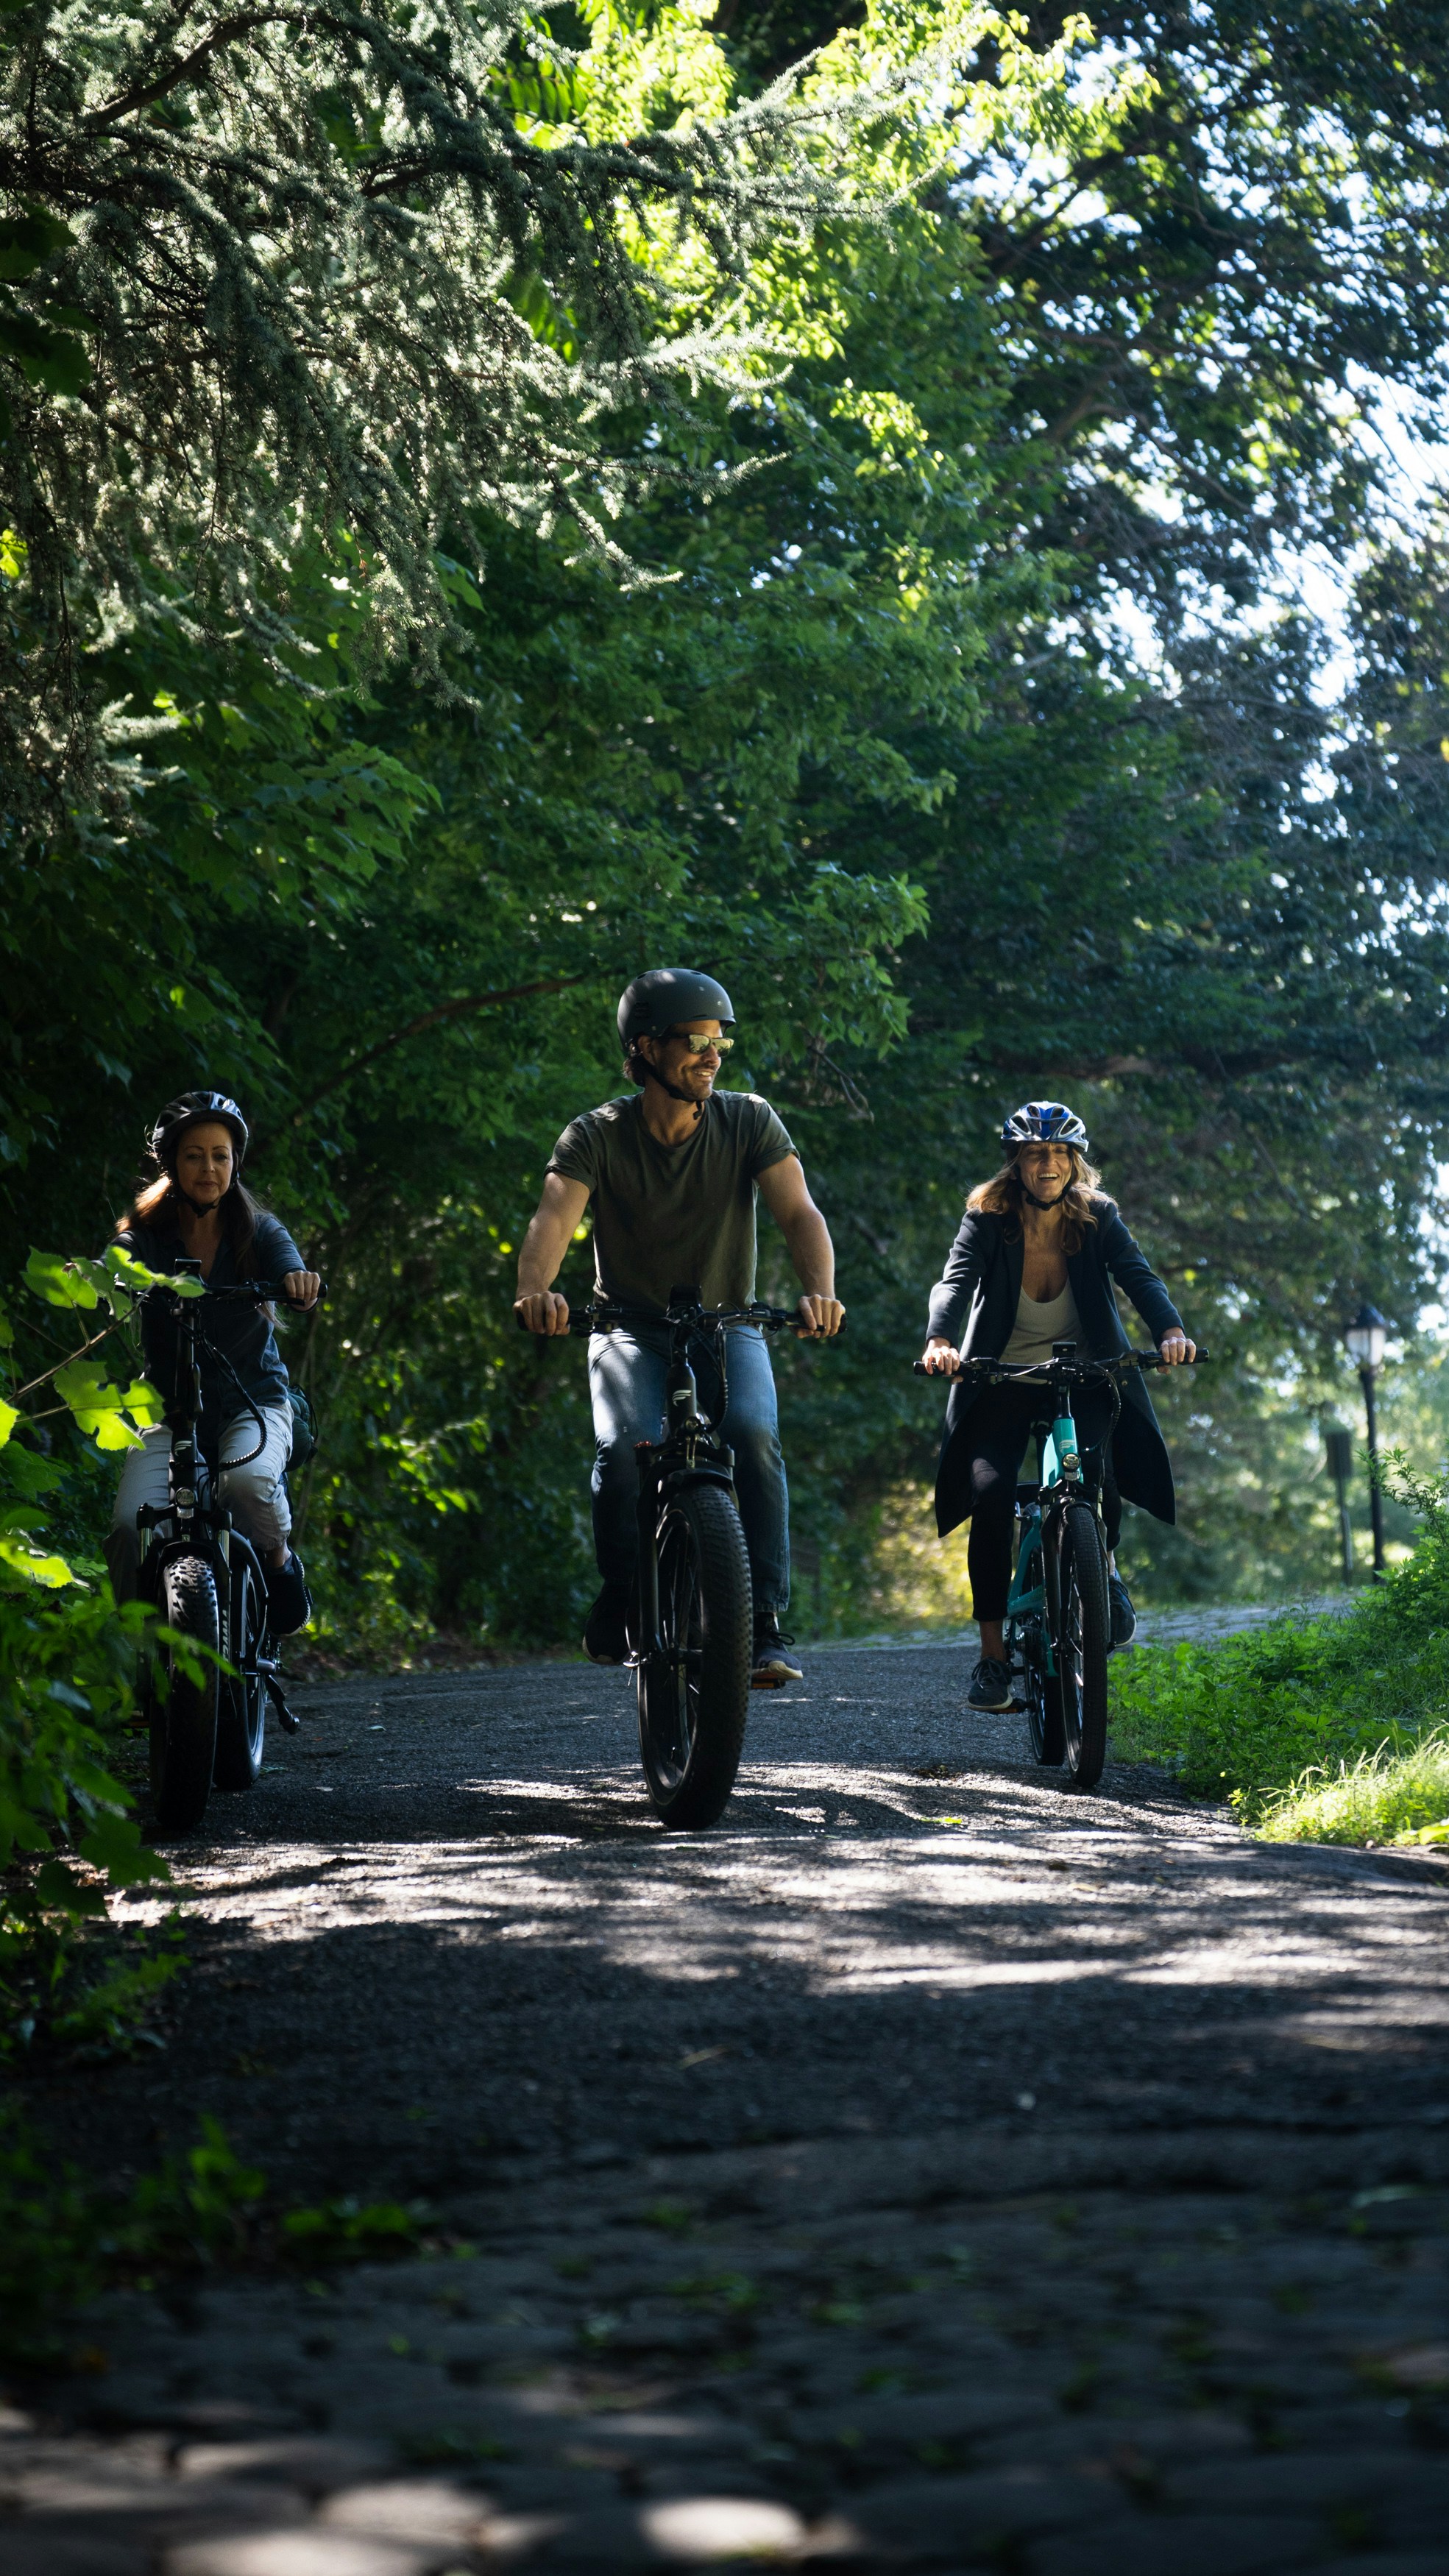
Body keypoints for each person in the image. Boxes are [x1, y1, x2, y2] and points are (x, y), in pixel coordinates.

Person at [514, 969, 845, 1683]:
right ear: (645, 1049)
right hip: (629, 1327)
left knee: (752, 1434)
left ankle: (765, 1622)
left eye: (719, 1039)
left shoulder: (748, 1119)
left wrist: (820, 1290)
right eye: (694, 1039)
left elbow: (798, 1213)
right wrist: (535, 1289)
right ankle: (623, 1591)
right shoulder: (597, 1134)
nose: (712, 1053)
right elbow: (553, 1218)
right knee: (620, 1449)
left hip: (728, 1323)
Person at [919, 1100, 1194, 1710]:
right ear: (1015, 1162)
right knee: (990, 1495)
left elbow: (1138, 1276)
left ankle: (1107, 1575)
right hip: (1001, 1378)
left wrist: (1169, 1331)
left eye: (1061, 1154)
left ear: (1076, 1162)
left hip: (1085, 1372)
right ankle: (992, 1656)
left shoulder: (1097, 1216)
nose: (1049, 1164)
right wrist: (940, 1339)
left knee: (1095, 1474)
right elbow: (956, 1280)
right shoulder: (987, 1218)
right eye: (1036, 1154)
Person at [105, 1090, 320, 1630]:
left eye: (220, 1155)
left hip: (254, 1399)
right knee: (131, 1528)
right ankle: (135, 1654)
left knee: (244, 1486)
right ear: (172, 1164)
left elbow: (292, 1269)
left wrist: (299, 1283)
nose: (209, 1167)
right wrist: (95, 1278)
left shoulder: (259, 1230)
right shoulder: (145, 1236)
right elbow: (112, 1267)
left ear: (235, 1163)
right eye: (195, 1155)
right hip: (169, 1407)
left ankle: (277, 1562)